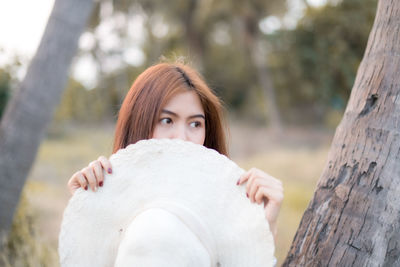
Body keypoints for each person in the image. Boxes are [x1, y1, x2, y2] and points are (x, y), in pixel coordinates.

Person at [67, 61, 284, 243]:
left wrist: (264, 229)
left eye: (195, 124)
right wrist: (86, 211)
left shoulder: (225, 211)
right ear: (138, 124)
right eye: (167, 120)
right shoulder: (111, 203)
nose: (182, 137)